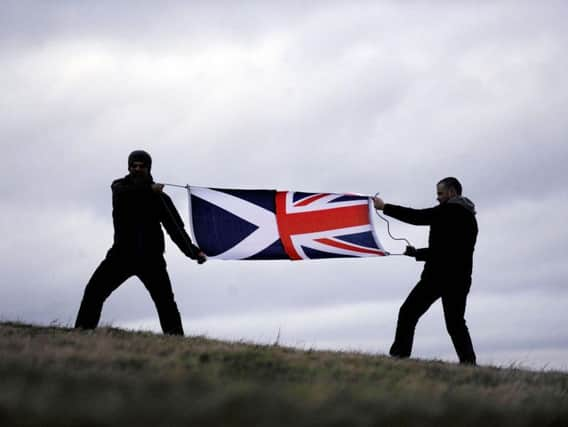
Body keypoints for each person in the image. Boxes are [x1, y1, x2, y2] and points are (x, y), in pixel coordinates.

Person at [75, 150, 206, 335]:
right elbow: (123, 193)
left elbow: (176, 229)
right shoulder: (119, 188)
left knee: (165, 302)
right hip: (121, 255)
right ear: (129, 168)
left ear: (148, 168)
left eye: (141, 166)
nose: (137, 169)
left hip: (151, 258)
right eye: (133, 166)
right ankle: (82, 332)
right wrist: (149, 190)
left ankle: (176, 340)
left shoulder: (160, 198)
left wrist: (193, 252)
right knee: (94, 292)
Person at [373, 177, 478, 365]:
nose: (437, 198)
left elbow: (417, 217)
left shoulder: (449, 211)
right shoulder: (470, 218)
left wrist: (385, 207)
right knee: (455, 323)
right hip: (460, 278)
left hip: (437, 277)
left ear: (452, 192)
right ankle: (469, 363)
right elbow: (449, 251)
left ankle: (399, 356)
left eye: (440, 193)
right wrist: (417, 253)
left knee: (408, 313)